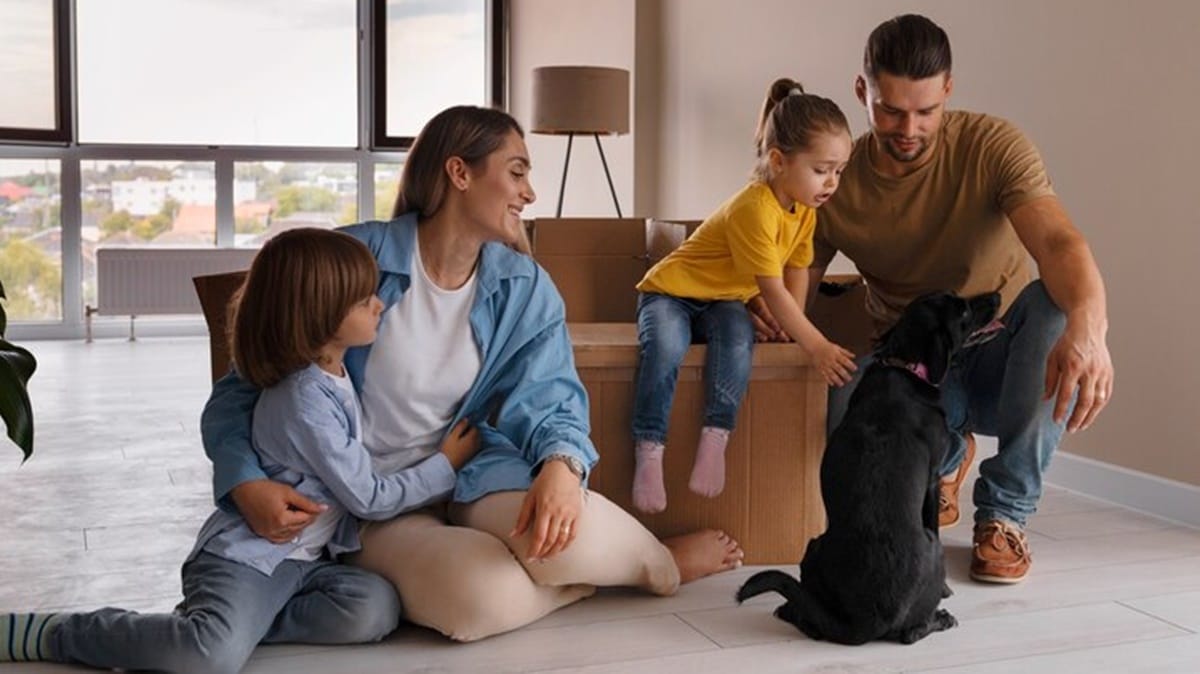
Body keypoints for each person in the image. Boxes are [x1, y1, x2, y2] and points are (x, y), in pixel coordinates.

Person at [200, 105, 745, 643]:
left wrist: (561, 463)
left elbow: (551, 397)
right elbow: (244, 384)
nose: (529, 192)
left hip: (476, 475)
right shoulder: (354, 258)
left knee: (577, 542)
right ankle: (573, 586)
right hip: (371, 503)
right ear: (459, 173)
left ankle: (660, 566)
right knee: (484, 603)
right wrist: (244, 479)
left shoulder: (524, 286)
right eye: (517, 171)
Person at [0, 227, 484, 671]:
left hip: (307, 563)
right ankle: (61, 633)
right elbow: (369, 497)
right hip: (248, 557)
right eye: (365, 300)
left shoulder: (333, 375)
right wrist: (445, 464)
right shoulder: (303, 399)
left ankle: (235, 625)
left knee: (374, 609)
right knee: (210, 657)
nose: (381, 305)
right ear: (320, 314)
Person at [749, 14, 1114, 584]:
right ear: (862, 91)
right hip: (910, 365)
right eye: (891, 110)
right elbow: (796, 288)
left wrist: (1091, 332)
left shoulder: (994, 146)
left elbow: (1060, 243)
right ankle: (938, 464)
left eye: (926, 111)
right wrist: (763, 314)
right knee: (839, 403)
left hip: (1005, 359)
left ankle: (1004, 515)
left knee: (1056, 306)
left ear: (948, 89)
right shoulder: (833, 180)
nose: (909, 129)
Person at [630, 79, 858, 514]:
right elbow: (771, 288)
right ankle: (649, 447)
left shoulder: (805, 211)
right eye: (822, 169)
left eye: (839, 171)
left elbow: (795, 274)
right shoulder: (755, 206)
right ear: (778, 160)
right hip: (671, 294)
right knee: (666, 347)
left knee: (738, 343)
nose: (832, 182)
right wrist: (816, 345)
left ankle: (716, 437)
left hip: (723, 300)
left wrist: (787, 335)